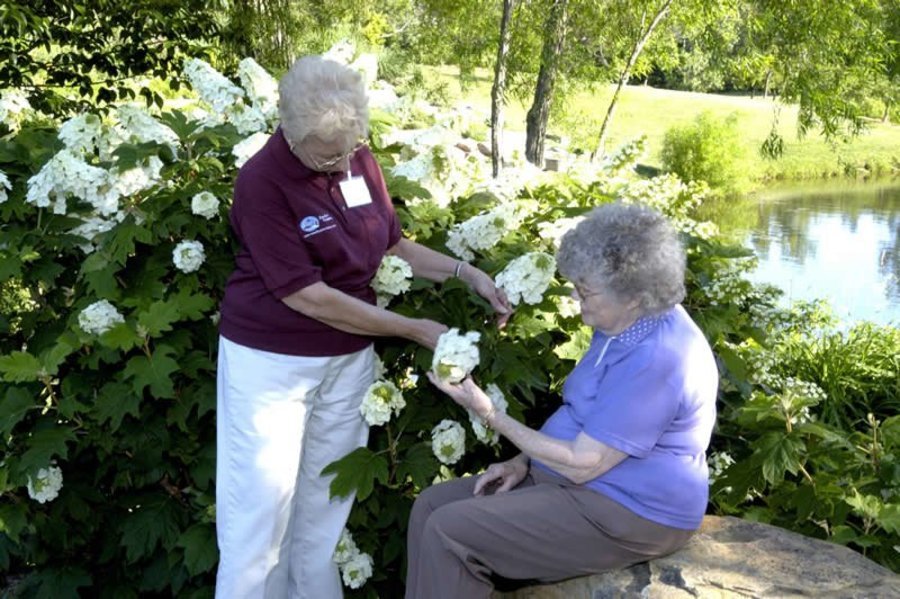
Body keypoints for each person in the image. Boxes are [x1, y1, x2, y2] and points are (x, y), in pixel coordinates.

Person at [215, 55, 510, 599]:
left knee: (325, 512)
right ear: (290, 132)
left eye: (349, 150)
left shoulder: (356, 158)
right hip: (272, 368)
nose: (341, 164)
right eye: (328, 155)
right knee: (258, 522)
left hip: (348, 362)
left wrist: (467, 274)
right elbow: (308, 296)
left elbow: (393, 247)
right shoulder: (261, 182)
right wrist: (413, 329)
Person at [407, 203, 719, 599]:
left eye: (585, 291)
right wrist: (521, 461)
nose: (574, 295)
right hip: (580, 481)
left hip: (630, 509)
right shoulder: (620, 323)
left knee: (451, 532)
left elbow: (586, 463)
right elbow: (584, 412)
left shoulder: (658, 356)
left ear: (633, 296)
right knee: (430, 506)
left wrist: (488, 412)